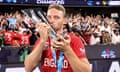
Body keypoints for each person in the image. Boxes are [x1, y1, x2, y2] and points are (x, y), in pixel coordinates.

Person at [24, 4, 91, 72]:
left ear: (64, 21)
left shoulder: (74, 40)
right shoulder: (42, 40)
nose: (51, 20)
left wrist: (67, 50)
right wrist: (42, 42)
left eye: (56, 17)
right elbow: (28, 68)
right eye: (49, 17)